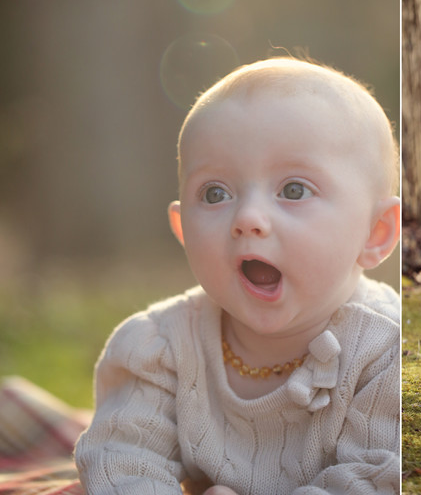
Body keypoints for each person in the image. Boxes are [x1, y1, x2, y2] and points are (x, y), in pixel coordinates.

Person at [75, 58, 402, 495]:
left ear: (375, 232)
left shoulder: (386, 352)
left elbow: (375, 476)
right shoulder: (160, 347)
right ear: (183, 231)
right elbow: (122, 459)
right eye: (215, 193)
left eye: (294, 190)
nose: (248, 218)